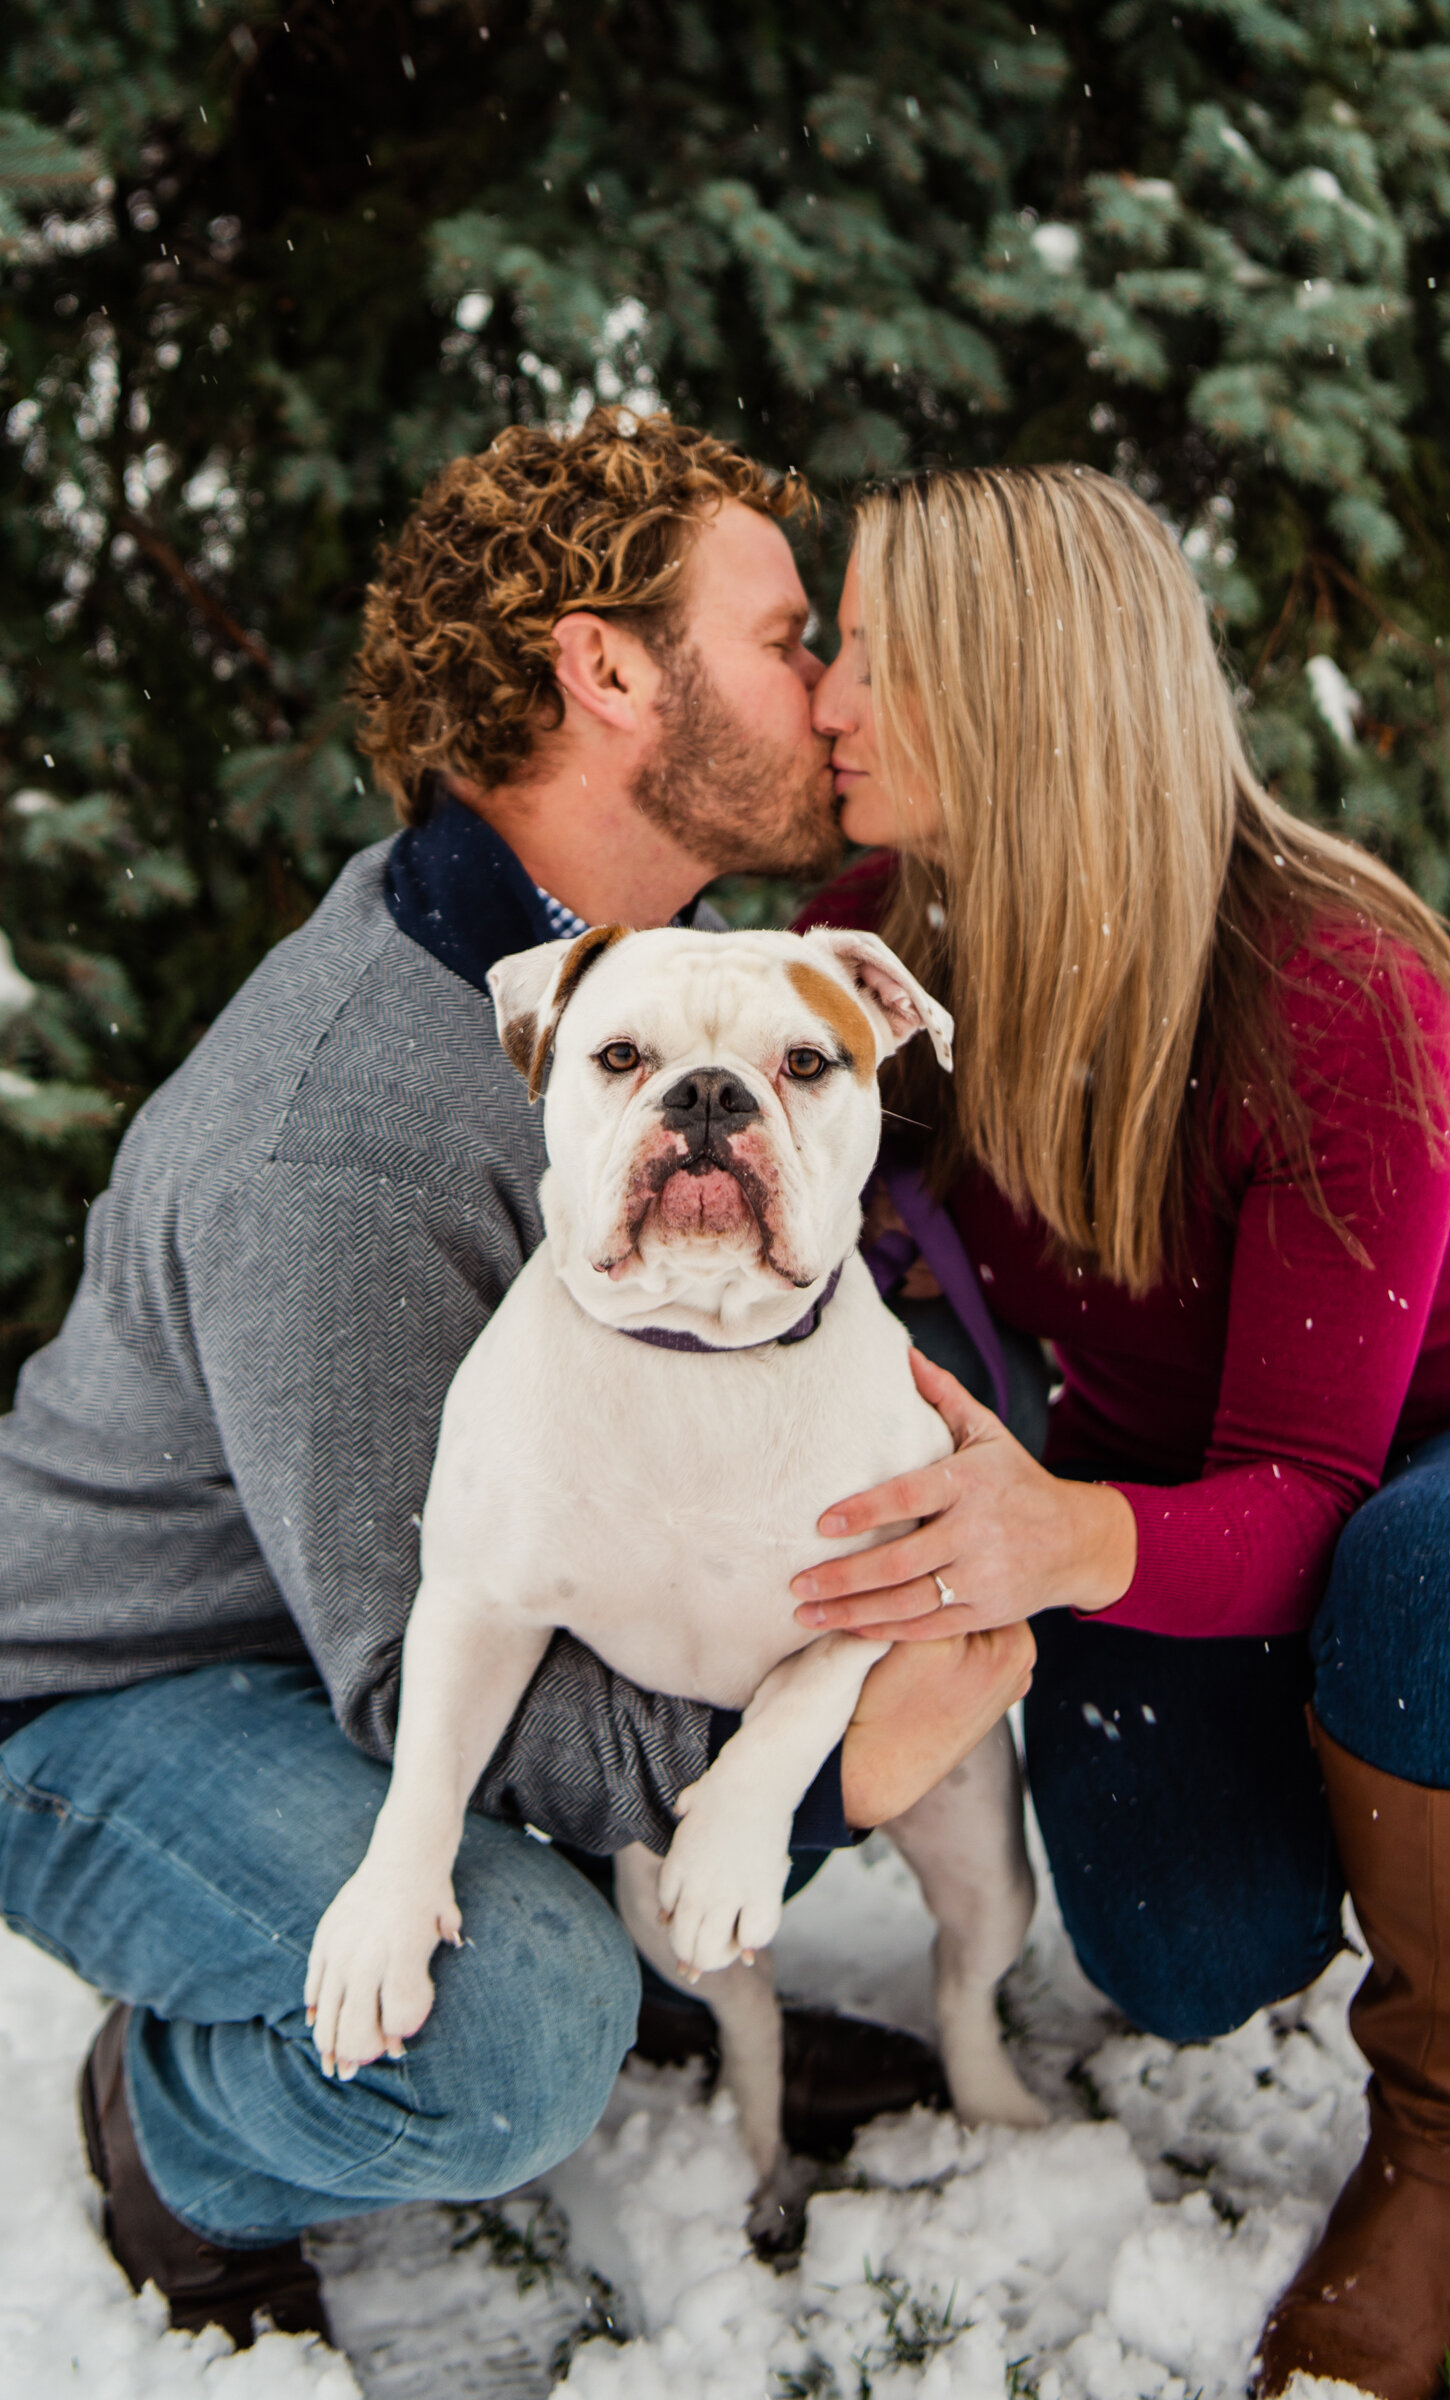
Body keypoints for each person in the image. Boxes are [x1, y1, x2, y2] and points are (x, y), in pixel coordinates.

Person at [0, 412, 1031, 2349]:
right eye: (786, 635)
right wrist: (818, 1756)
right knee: (506, 2026)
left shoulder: (635, 969)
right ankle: (178, 2129)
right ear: (609, 670)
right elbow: (413, 1663)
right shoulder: (351, 1144)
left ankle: (659, 1946)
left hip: (333, 1620)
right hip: (110, 1692)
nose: (831, 689)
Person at [790, 462, 1450, 2400]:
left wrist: (1065, 1544)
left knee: (1434, 1582)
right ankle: (1372, 1765)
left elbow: (1315, 1486)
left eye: (872, 663)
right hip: (1170, 1495)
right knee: (1177, 1959)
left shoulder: (1332, 985)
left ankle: (1446, 2143)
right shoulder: (878, 943)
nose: (823, 700)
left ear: (1017, 689)